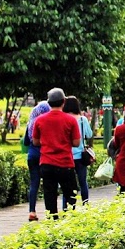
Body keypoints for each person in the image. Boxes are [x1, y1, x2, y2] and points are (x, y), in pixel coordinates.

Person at [31, 88, 80, 218]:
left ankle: (52, 221)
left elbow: (35, 141)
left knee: (49, 195)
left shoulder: (40, 120)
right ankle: (69, 220)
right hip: (65, 164)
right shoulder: (70, 120)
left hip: (47, 163)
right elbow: (76, 142)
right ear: (63, 102)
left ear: (49, 102)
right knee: (71, 194)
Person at [61, 96, 92, 207]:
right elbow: (89, 135)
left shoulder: (63, 119)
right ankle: (85, 205)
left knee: (67, 184)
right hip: (80, 156)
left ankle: (67, 207)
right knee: (83, 182)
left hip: (67, 156)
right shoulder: (83, 120)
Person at [23, 101, 51, 222]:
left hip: (31, 155)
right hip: (43, 155)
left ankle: (32, 211)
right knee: (48, 184)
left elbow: (25, 141)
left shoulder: (31, 123)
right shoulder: (45, 122)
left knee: (34, 184)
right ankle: (49, 211)